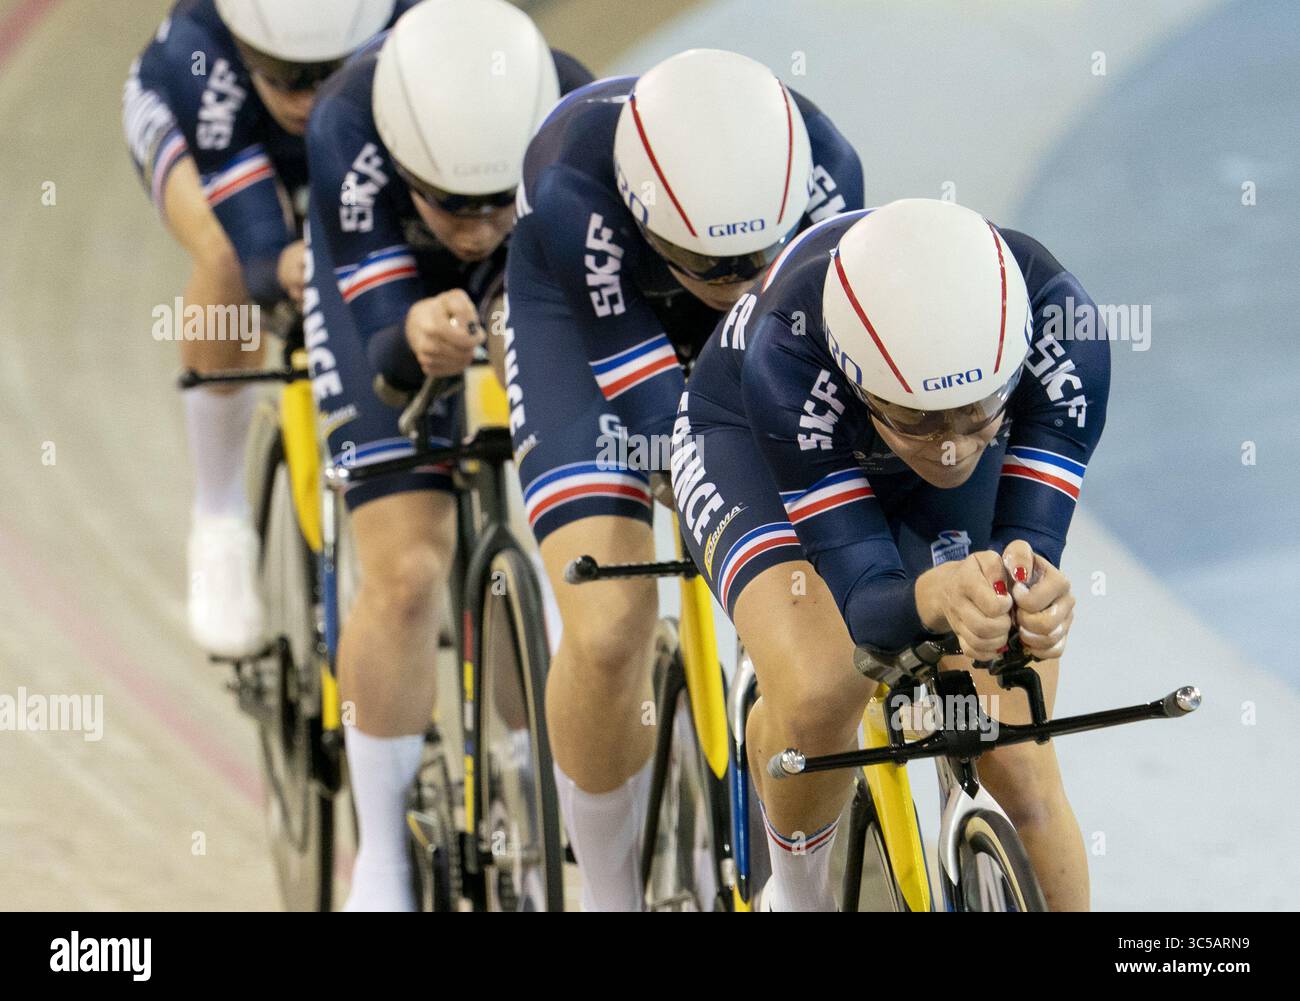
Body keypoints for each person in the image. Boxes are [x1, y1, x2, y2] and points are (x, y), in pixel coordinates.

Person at [671, 197, 1110, 910]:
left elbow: (1026, 548)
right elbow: (871, 604)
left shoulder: (1070, 334)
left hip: (891, 417)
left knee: (1017, 749)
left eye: (977, 415)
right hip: (754, 440)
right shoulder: (788, 354)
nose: (953, 445)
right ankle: (796, 896)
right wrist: (936, 595)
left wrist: (1035, 598)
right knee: (820, 688)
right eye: (922, 421)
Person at [504, 47, 864, 911]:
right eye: (715, 266)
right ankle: (609, 889)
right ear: (645, 218)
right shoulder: (571, 183)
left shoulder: (828, 168)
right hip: (587, 329)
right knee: (608, 621)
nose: (741, 283)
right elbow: (662, 418)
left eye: (760, 259)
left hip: (760, 344)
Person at [304, 0, 591, 911]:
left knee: (573, 557)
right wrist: (410, 335)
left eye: (492, 203)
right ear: (400, 159)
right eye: (450, 204)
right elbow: (383, 344)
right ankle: (382, 856)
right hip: (388, 284)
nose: (471, 228)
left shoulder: (576, 108)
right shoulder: (347, 120)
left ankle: (530, 760)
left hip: (528, 277)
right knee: (407, 567)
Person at [123, 0, 411, 657]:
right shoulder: (203, 54)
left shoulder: (411, 20)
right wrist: (277, 261)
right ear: (251, 51)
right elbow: (257, 253)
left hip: (357, 124)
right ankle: (219, 516)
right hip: (206, 125)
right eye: (285, 75)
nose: (307, 96)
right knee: (225, 256)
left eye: (326, 72)